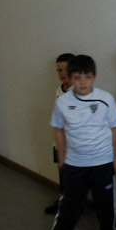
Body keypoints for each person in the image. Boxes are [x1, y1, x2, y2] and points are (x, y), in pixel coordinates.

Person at [43, 55, 116, 230]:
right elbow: (58, 131)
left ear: (94, 77)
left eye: (87, 77)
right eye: (77, 77)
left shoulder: (105, 99)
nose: (83, 82)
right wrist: (62, 160)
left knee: (105, 205)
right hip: (74, 165)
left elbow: (115, 129)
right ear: (70, 79)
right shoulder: (63, 102)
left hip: (102, 163)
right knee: (68, 209)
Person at [45, 53, 75, 214]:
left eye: (66, 69)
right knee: (62, 173)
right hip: (59, 141)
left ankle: (74, 204)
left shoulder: (79, 91)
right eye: (59, 70)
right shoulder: (59, 90)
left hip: (73, 143)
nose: (62, 73)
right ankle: (64, 201)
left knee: (74, 176)